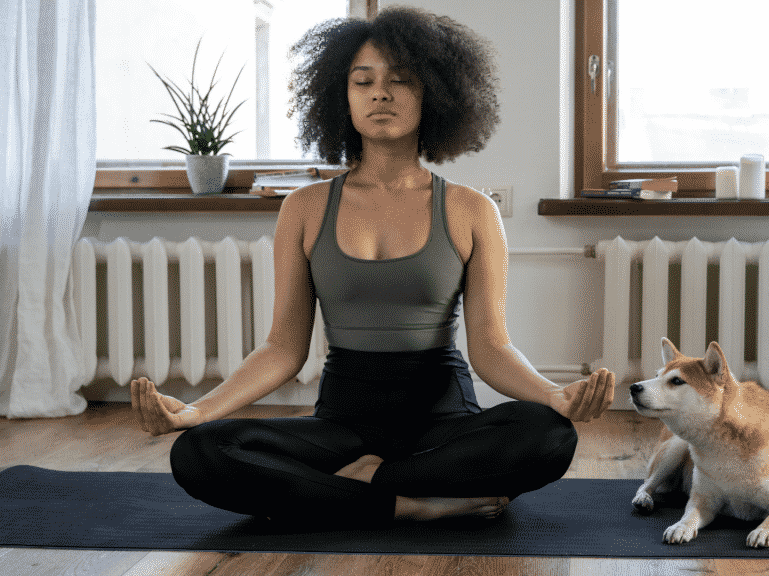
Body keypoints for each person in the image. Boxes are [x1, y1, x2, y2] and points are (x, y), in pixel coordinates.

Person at [130, 6, 615, 529]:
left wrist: (553, 396)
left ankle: (361, 487)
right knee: (199, 452)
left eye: (400, 81)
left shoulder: (471, 210)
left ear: (434, 95)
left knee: (548, 436)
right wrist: (200, 410)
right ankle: (404, 500)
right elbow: (282, 349)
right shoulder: (305, 207)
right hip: (342, 425)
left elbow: (492, 347)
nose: (380, 93)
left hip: (442, 422)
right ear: (342, 97)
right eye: (364, 81)